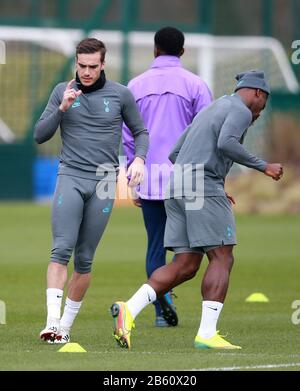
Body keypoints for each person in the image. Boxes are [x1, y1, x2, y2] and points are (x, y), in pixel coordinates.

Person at [111, 70, 283, 349]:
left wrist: (206, 183)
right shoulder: (239, 110)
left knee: (186, 264)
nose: (261, 111)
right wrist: (264, 166)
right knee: (223, 257)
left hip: (177, 185)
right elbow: (226, 143)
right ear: (258, 94)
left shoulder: (213, 108)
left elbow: (174, 152)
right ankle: (206, 334)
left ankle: (129, 309)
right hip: (201, 185)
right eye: (263, 104)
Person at [34, 38, 149, 344]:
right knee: (61, 249)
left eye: (92, 66)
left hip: (104, 182)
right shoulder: (63, 91)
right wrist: (61, 109)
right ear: (76, 63)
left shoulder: (121, 94)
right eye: (81, 66)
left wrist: (139, 158)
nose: (86, 72)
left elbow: (140, 132)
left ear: (103, 65)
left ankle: (65, 329)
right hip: (70, 176)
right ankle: (51, 323)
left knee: (84, 259)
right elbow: (39, 135)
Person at [122, 26, 212, 327]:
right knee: (199, 249)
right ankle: (209, 316)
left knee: (156, 246)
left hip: (150, 178)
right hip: (187, 181)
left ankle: (161, 310)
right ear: (183, 52)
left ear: (154, 50)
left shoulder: (134, 86)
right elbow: (207, 134)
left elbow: (126, 137)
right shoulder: (196, 85)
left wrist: (133, 176)